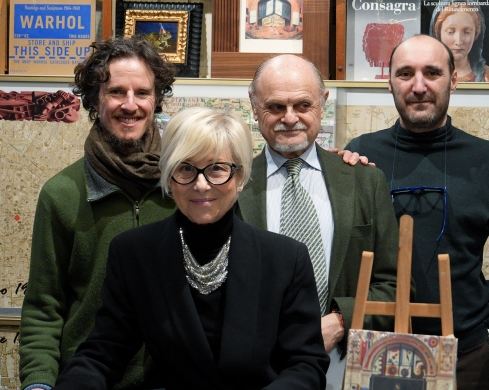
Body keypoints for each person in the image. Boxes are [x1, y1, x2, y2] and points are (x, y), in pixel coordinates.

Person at [54, 107, 330, 390]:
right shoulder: (135, 254)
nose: (201, 184)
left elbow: (305, 364)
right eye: (185, 168)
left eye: (217, 169)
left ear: (240, 177)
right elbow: (103, 353)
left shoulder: (285, 258)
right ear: (168, 176)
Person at [342, 35, 489, 389]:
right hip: (377, 348)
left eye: (432, 72)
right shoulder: (360, 156)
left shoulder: (487, 160)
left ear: (454, 80)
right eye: (405, 74)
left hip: (464, 355)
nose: (419, 86)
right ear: (389, 84)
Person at [20, 38, 178, 390]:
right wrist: (39, 383)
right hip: (89, 379)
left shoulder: (185, 186)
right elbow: (44, 306)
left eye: (143, 92)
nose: (130, 105)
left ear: (156, 100)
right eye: (116, 92)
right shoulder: (61, 194)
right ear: (94, 100)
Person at [236, 55, 400, 389]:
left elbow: (395, 284)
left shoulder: (365, 182)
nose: (290, 118)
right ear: (254, 107)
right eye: (275, 106)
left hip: (345, 364)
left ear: (323, 104)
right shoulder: (232, 186)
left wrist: (342, 321)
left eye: (303, 105)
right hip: (258, 371)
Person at [428, 0, 489, 82]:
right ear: (438, 33)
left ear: (476, 34)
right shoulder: (426, 73)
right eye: (450, 32)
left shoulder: (487, 75)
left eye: (467, 32)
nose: (458, 42)